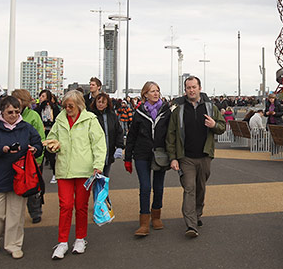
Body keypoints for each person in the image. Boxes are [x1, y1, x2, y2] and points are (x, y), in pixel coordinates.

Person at [0, 96, 43, 259]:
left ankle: (13, 244)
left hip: (20, 177)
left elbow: (38, 143)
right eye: (9, 112)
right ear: (2, 111)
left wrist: (34, 149)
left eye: (16, 112)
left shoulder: (26, 128)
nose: (13, 115)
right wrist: (2, 149)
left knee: (16, 215)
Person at [45, 90, 106, 259]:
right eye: (65, 105)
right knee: (65, 206)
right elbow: (51, 138)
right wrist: (52, 146)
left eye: (70, 105)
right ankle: (62, 241)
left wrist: (98, 165)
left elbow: (99, 144)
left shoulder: (90, 121)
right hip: (64, 169)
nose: (67, 108)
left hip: (85, 170)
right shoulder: (60, 119)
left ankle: (80, 238)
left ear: (79, 105)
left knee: (81, 206)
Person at [166, 76, 226, 238]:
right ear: (185, 90)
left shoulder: (210, 107)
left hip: (205, 156)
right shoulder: (178, 110)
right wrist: (173, 157)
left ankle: (197, 213)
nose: (191, 90)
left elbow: (222, 126)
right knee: (189, 188)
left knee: (200, 188)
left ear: (199, 88)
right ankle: (191, 225)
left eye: (194, 87)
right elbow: (171, 135)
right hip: (186, 158)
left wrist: (214, 125)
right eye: (188, 88)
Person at [124, 81, 171, 236]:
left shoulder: (166, 111)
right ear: (145, 94)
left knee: (158, 187)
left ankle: (156, 215)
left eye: (157, 90)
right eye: (152, 91)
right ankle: (144, 221)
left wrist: (173, 155)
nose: (156, 93)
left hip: (160, 154)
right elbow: (131, 136)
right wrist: (127, 157)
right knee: (145, 187)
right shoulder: (139, 113)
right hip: (142, 154)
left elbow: (171, 134)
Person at [11, 89, 47, 224]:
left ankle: (35, 212)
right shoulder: (9, 115)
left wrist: (38, 158)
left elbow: (41, 138)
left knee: (33, 187)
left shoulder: (33, 116)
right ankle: (16, 213)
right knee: (15, 186)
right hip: (14, 159)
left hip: (31, 158)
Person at [90, 92, 124, 177]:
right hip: (94, 153)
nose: (100, 104)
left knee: (105, 177)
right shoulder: (91, 116)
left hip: (109, 151)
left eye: (103, 102)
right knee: (96, 178)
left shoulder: (112, 116)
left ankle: (103, 190)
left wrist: (119, 146)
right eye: (99, 102)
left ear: (107, 104)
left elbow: (118, 131)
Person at [35, 89, 61, 183]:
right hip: (41, 133)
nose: (41, 98)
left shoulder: (54, 108)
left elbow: (57, 119)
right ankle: (39, 176)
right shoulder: (38, 109)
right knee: (40, 155)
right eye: (40, 96)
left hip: (51, 132)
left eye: (43, 96)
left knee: (51, 155)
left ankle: (55, 174)